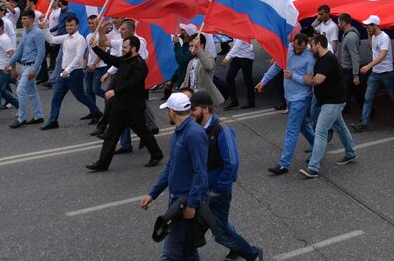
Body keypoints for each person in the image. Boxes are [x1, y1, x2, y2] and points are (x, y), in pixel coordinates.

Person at [188, 90, 262, 261]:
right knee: (211, 227)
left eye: (194, 109)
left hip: (216, 193)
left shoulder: (222, 130)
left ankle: (253, 254)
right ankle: (237, 249)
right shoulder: (197, 129)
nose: (191, 113)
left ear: (206, 109)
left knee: (220, 233)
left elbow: (232, 163)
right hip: (202, 190)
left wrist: (217, 189)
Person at [140, 91, 207, 261]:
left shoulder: (193, 134)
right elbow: (171, 166)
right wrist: (153, 193)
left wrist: (191, 205)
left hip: (185, 204)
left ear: (172, 111)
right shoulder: (178, 132)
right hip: (177, 201)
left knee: (170, 254)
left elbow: (201, 172)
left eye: (167, 110)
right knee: (188, 252)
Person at [86, 29, 164, 172]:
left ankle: (156, 154)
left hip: (133, 107)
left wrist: (115, 91)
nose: (122, 50)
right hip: (120, 106)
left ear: (134, 49)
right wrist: (95, 47)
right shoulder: (124, 59)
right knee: (111, 135)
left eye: (125, 48)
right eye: (122, 47)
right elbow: (110, 59)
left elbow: (133, 83)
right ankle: (102, 164)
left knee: (143, 133)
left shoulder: (140, 65)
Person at [300, 33, 357, 179]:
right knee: (340, 126)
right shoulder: (321, 58)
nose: (310, 48)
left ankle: (313, 168)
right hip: (331, 100)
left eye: (312, 45)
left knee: (320, 131)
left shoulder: (327, 60)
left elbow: (318, 80)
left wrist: (308, 80)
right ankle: (351, 152)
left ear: (319, 44)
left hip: (333, 102)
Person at [260, 32, 317, 175]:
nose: (298, 51)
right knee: (302, 125)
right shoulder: (287, 50)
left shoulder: (310, 56)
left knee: (292, 129)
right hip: (289, 97)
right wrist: (263, 82)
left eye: (301, 49)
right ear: (293, 43)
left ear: (306, 45)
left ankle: (283, 164)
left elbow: (310, 80)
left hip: (302, 97)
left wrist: (293, 76)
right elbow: (276, 67)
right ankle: (318, 147)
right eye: (296, 48)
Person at [42, 12, 99, 129]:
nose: (69, 27)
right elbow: (51, 39)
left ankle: (97, 112)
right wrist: (45, 28)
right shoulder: (66, 37)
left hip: (74, 73)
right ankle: (53, 121)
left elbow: (78, 57)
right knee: (56, 97)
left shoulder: (80, 39)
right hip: (64, 73)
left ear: (77, 26)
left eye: (71, 25)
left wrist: (67, 70)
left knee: (80, 96)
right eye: (67, 25)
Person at [356, 15, 394, 134]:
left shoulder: (384, 37)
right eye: (366, 26)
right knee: (368, 98)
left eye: (369, 26)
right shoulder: (374, 36)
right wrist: (369, 36)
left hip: (387, 73)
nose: (367, 28)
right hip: (375, 73)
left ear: (376, 25)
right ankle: (364, 123)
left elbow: (382, 55)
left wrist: (368, 65)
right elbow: (373, 48)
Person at [7, 9, 45, 128]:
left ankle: (21, 118)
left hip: (32, 65)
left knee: (20, 90)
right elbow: (19, 50)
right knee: (32, 92)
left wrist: (34, 69)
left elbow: (41, 53)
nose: (22, 21)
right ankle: (38, 116)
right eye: (22, 18)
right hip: (24, 65)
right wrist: (10, 62)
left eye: (25, 18)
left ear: (32, 19)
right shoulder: (25, 32)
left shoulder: (38, 33)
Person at [184, 32, 224, 110]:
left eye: (192, 46)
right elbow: (186, 81)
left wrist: (198, 50)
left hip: (204, 100)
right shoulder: (191, 62)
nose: (189, 49)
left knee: (204, 120)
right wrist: (179, 94)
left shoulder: (209, 58)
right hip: (192, 98)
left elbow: (208, 66)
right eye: (190, 46)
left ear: (201, 46)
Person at [221, 37, 256, 110]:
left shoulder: (241, 32)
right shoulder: (235, 30)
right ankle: (234, 101)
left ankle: (251, 102)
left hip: (246, 57)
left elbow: (236, 46)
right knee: (229, 77)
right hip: (237, 56)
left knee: (247, 80)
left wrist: (227, 58)